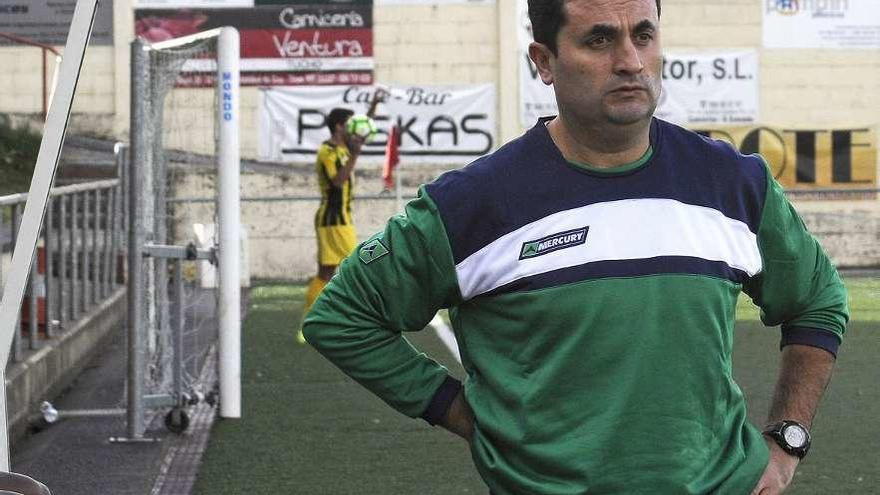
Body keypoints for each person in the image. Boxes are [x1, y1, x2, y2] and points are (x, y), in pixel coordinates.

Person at [302, 0, 849, 493]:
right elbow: (343, 318)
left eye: (644, 34)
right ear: (543, 61)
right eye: (599, 39)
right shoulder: (471, 203)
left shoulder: (734, 182)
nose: (631, 60)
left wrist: (786, 440)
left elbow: (817, 299)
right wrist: (463, 414)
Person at [297, 108, 364, 344]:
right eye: (349, 124)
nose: (353, 128)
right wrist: (355, 156)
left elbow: (363, 126)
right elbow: (337, 182)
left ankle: (310, 323)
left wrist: (375, 103)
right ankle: (352, 323)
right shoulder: (327, 151)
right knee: (357, 269)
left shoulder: (343, 147)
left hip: (340, 219)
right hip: (333, 220)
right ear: (338, 126)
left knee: (328, 273)